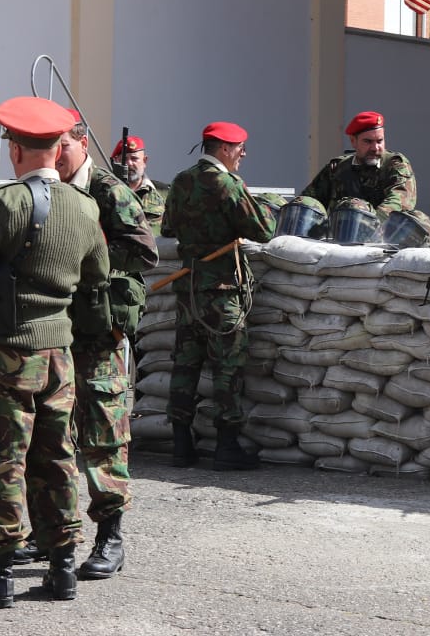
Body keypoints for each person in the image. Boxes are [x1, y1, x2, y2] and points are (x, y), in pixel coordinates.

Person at [0, 97, 110, 608]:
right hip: (60, 354)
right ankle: (62, 568)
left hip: (7, 351)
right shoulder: (85, 206)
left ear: (14, 149)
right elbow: (97, 278)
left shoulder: (8, 202)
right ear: (60, 149)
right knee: (55, 458)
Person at [57, 110, 158, 578]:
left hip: (98, 331)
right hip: (54, 327)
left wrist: (88, 256)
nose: (54, 155)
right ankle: (53, 534)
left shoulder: (106, 189)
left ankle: (109, 538)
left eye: (62, 145)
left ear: (82, 143)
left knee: (103, 434)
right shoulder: (47, 185)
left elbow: (144, 249)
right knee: (52, 435)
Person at [160, 121, 276, 470]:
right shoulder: (228, 184)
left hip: (190, 288)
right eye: (240, 148)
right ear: (224, 148)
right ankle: (227, 446)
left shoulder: (181, 181)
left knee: (186, 364)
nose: (243, 154)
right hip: (223, 292)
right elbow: (264, 230)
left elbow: (166, 228)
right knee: (227, 368)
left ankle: (181, 445)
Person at [295, 110, 430, 241]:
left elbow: (400, 201)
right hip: (340, 239)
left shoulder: (395, 165)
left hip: (383, 240)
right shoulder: (338, 168)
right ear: (353, 141)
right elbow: (310, 200)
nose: (375, 148)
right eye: (368, 141)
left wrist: (370, 224)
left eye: (379, 141)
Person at [110, 134, 168, 227]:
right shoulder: (106, 192)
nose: (129, 163)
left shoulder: (163, 193)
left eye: (134, 158)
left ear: (144, 161)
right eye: (124, 159)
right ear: (116, 162)